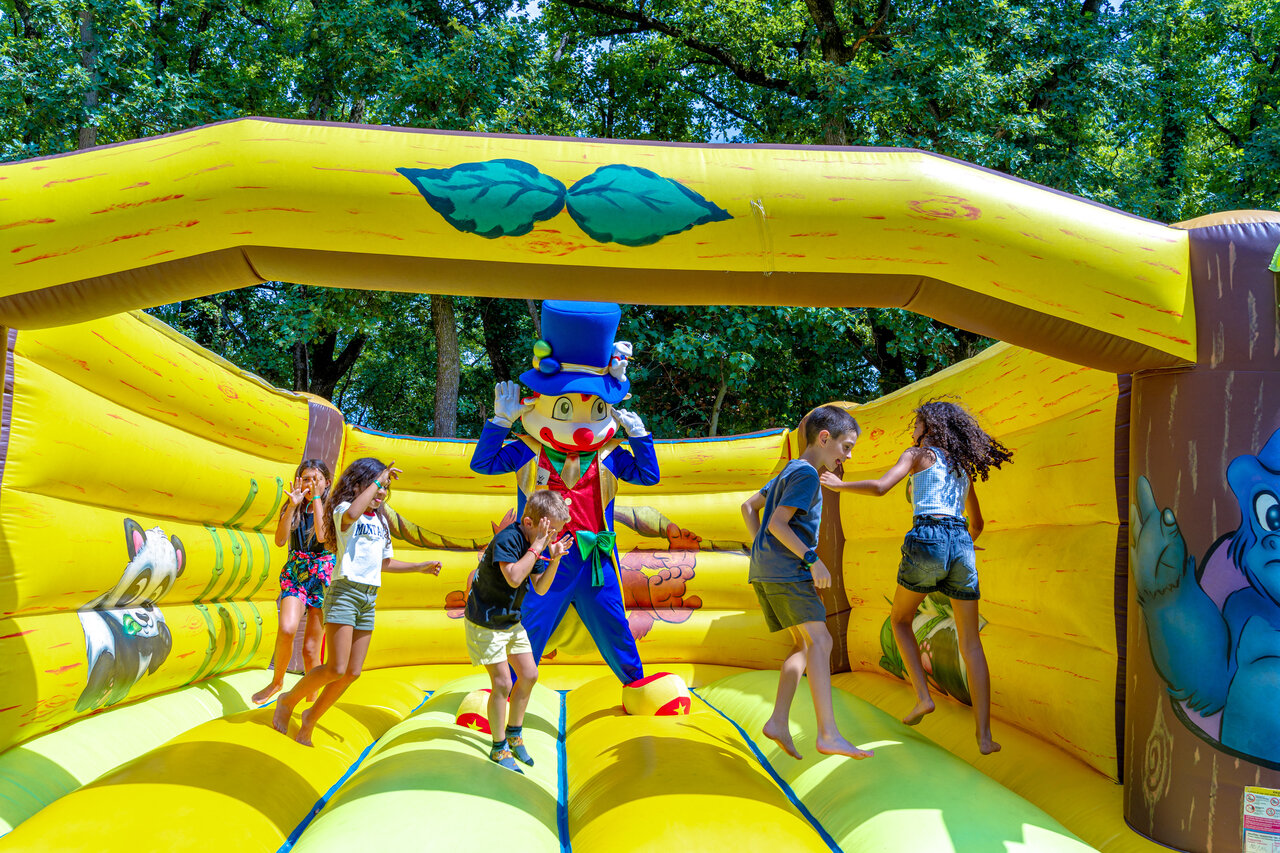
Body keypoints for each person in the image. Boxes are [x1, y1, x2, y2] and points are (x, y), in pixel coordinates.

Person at [820, 398, 1013, 755]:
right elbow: (979, 524)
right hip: (961, 544)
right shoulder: (962, 470)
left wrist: (839, 485)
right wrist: (960, 549)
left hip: (928, 538)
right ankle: (984, 737)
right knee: (971, 643)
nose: (912, 431)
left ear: (928, 429)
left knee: (899, 620)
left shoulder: (916, 456)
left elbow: (880, 487)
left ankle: (923, 697)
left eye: (916, 425)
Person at [272, 457, 441, 746]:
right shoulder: (342, 511)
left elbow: (384, 562)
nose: (382, 493)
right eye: (377, 486)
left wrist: (419, 566)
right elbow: (351, 514)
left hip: (368, 597)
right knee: (335, 667)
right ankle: (288, 700)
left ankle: (311, 717)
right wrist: (379, 479)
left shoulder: (381, 522)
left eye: (385, 488)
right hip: (344, 593)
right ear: (359, 484)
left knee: (352, 672)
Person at [741, 405, 873, 762]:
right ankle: (828, 733)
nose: (848, 455)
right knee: (822, 639)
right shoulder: (807, 475)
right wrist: (812, 560)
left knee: (804, 644)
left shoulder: (789, 471)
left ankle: (779, 722)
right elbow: (777, 525)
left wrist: (762, 553)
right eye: (846, 446)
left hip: (767, 570)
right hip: (787, 571)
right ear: (824, 437)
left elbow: (748, 508)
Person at [464, 490, 572, 772]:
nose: (551, 537)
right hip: (485, 621)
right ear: (529, 522)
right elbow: (513, 578)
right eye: (549, 531)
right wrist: (537, 547)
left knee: (530, 674)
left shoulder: (536, 542)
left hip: (510, 621)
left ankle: (514, 732)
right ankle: (498, 747)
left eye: (556, 533)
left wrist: (555, 558)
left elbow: (540, 587)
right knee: (502, 683)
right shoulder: (509, 539)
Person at [253, 458, 333, 705]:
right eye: (306, 479)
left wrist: (318, 499)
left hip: (322, 573)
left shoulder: (332, 508)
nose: (311, 484)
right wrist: (291, 506)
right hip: (296, 570)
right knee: (287, 628)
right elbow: (279, 541)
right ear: (299, 481)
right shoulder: (294, 506)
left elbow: (322, 535)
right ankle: (277, 682)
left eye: (316, 479)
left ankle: (311, 701)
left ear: (326, 482)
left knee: (311, 649)